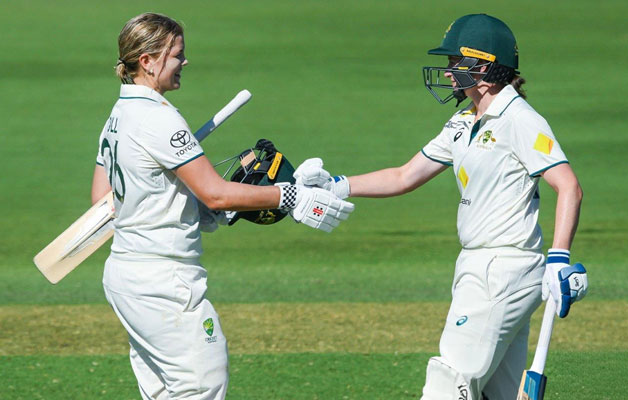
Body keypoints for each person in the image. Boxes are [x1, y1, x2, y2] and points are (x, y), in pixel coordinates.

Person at [294, 14, 588, 400]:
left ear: (482, 67)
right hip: (478, 265)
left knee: (449, 383)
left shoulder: (519, 119)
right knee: (496, 393)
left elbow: (568, 186)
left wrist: (559, 258)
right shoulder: (463, 121)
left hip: (503, 268)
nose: (448, 73)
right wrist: (338, 185)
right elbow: (404, 176)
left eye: (454, 63)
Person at [91, 13, 353, 399]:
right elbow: (216, 192)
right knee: (202, 386)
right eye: (177, 54)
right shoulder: (159, 119)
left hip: (124, 278)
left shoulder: (118, 116)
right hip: (164, 281)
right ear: (147, 60)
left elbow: (104, 198)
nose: (185, 62)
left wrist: (194, 209)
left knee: (165, 392)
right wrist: (289, 196)